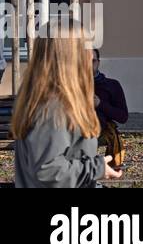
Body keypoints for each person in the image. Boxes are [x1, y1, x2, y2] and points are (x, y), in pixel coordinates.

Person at [11, 26, 122, 187]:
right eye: (84, 47)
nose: (90, 54)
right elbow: (48, 171)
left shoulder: (45, 97)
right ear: (68, 55)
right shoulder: (52, 105)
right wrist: (96, 169)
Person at [93, 49, 128, 167]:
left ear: (98, 62)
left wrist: (100, 104)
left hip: (100, 130)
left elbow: (123, 116)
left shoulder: (111, 85)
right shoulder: (71, 85)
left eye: (92, 61)